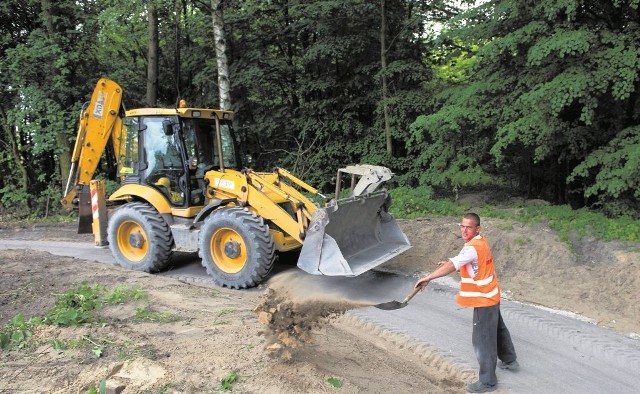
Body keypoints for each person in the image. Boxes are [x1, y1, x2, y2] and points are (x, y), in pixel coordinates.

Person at [414, 212, 518, 393]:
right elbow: (471, 264)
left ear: (477, 228)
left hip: (483, 299)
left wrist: (428, 277)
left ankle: (487, 382)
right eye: (462, 226)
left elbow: (451, 266)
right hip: (492, 294)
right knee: (498, 328)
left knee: (483, 339)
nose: (464, 230)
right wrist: (454, 264)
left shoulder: (471, 248)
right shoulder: (481, 242)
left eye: (468, 227)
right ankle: (509, 360)